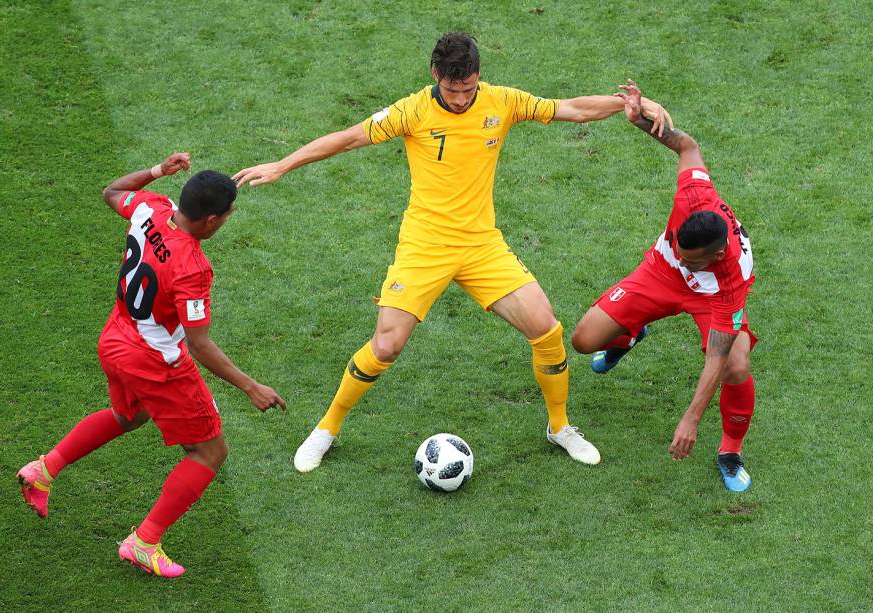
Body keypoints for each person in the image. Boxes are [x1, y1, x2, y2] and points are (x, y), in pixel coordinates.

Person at [235, 33, 672, 473]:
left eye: (468, 89)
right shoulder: (411, 111)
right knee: (386, 346)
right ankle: (327, 429)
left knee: (547, 329)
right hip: (425, 246)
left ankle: (559, 427)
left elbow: (571, 109)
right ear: (435, 77)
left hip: (482, 245)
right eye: (452, 90)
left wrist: (630, 105)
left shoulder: (502, 102)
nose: (462, 99)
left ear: (479, 77)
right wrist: (283, 164)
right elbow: (347, 139)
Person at [17, 153, 286, 577]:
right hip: (154, 360)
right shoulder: (193, 267)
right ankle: (144, 541)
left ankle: (43, 470)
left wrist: (157, 171)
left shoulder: (152, 208)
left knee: (130, 414)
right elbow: (200, 344)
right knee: (210, 451)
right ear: (214, 219)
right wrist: (250, 386)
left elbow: (113, 191)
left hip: (116, 337)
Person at [570, 80, 757, 492]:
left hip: (708, 298)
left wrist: (690, 418)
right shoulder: (693, 194)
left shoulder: (731, 278)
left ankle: (730, 452)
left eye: (691, 256)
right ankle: (631, 334)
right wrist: (639, 119)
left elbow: (716, 355)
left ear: (713, 255)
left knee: (735, 365)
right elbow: (688, 147)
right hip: (661, 273)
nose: (682, 251)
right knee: (584, 340)